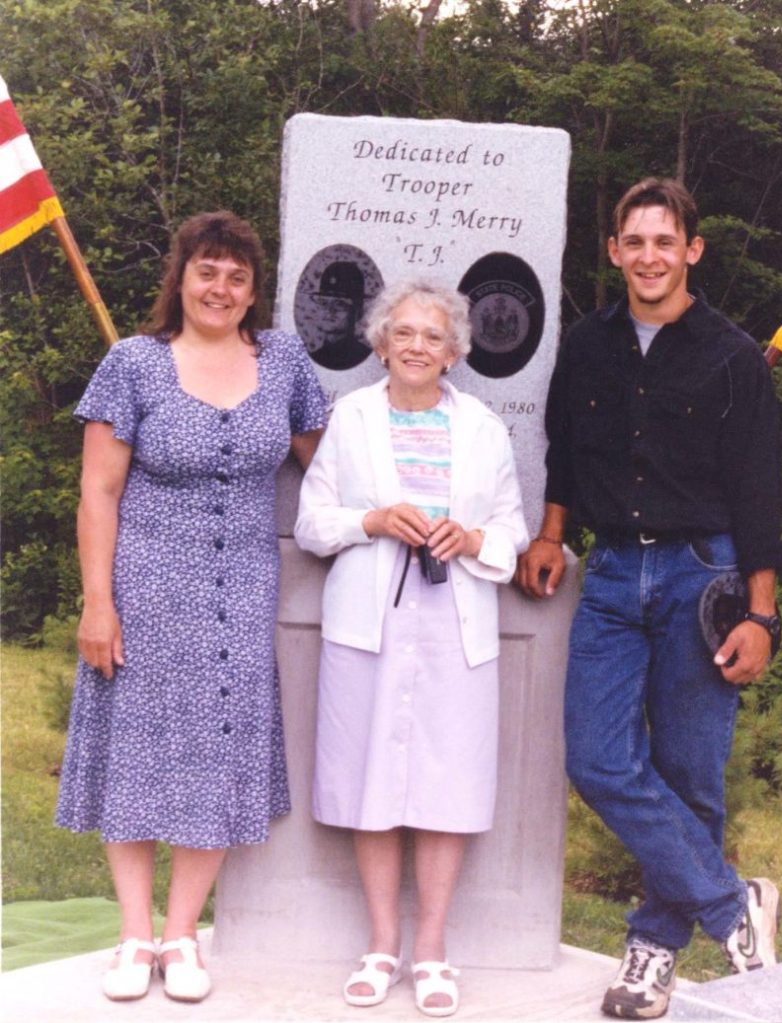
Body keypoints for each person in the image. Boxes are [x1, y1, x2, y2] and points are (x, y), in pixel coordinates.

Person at [516, 178, 782, 1020]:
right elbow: (563, 448)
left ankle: (652, 953)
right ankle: (733, 902)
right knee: (597, 757)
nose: (650, 256)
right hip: (607, 574)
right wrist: (552, 534)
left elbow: (760, 491)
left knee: (690, 770)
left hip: (702, 573)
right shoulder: (589, 343)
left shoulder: (732, 356)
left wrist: (762, 612)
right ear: (614, 251)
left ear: (691, 250)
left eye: (665, 241)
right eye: (634, 242)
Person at [55, 211, 326, 1003]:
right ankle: (133, 934)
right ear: (180, 279)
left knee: (219, 752)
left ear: (253, 291)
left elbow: (337, 464)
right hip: (141, 584)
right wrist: (97, 603)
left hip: (240, 592)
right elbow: (97, 492)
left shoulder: (284, 364)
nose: (221, 287)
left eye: (238, 276)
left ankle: (182, 934)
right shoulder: (132, 364)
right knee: (135, 749)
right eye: (207, 271)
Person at [295, 278, 528, 1017]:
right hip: (370, 618)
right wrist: (372, 520)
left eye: (433, 336)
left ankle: (431, 951)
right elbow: (311, 521)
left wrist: (472, 538)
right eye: (405, 333)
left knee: (444, 787)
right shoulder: (351, 417)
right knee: (372, 781)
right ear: (381, 344)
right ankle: (380, 945)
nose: (418, 346)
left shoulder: (485, 429)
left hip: (453, 620)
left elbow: (514, 530)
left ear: (454, 352)